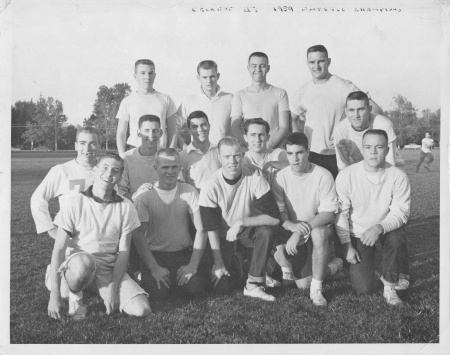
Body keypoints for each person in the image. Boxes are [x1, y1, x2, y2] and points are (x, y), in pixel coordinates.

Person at [46, 153, 151, 320]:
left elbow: (124, 252)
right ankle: (75, 297)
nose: (109, 173)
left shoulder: (126, 206)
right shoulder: (74, 203)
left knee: (142, 309)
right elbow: (59, 249)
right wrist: (54, 295)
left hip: (107, 268)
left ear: (119, 177)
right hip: (77, 263)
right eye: (105, 168)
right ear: (94, 171)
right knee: (82, 265)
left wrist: (112, 287)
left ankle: (92, 287)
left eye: (115, 170)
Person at [199, 137, 281, 301]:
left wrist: (242, 222)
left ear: (243, 155)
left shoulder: (254, 177)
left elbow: (274, 219)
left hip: (243, 231)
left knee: (265, 230)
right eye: (227, 157)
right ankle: (246, 265)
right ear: (219, 158)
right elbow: (211, 229)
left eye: (237, 155)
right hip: (223, 237)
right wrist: (218, 263)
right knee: (222, 287)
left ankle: (253, 283)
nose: (233, 161)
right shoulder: (210, 186)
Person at [335, 129, 411, 306]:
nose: (373, 151)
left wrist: (379, 228)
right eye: (368, 147)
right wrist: (347, 246)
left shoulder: (398, 176)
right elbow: (341, 214)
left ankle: (390, 285)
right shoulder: (347, 175)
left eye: (379, 147)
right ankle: (373, 272)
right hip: (359, 233)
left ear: (387, 149)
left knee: (396, 237)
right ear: (362, 149)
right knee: (364, 288)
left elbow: (401, 212)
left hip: (385, 228)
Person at [271, 132, 342, 306]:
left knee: (318, 233)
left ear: (308, 152)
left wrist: (300, 230)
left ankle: (317, 290)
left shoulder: (323, 175)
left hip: (317, 227)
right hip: (294, 230)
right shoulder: (280, 177)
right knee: (302, 284)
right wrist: (291, 227)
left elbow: (328, 214)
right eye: (290, 154)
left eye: (299, 153)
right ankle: (334, 266)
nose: (294, 159)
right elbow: (281, 213)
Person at [290, 45, 380, 179]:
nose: (316, 66)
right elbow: (292, 118)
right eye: (312, 62)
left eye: (321, 61)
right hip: (312, 154)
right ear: (307, 64)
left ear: (329, 61)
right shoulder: (303, 91)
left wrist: (352, 131)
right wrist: (300, 141)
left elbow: (373, 108)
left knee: (343, 196)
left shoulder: (344, 86)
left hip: (339, 153)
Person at [132, 148, 207, 299]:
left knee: (195, 288)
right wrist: (154, 268)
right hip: (156, 255)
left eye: (174, 167)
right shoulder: (145, 197)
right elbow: (139, 236)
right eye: (165, 167)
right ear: (156, 168)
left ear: (180, 168)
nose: (170, 171)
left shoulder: (189, 191)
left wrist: (192, 265)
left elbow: (201, 229)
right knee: (158, 294)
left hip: (182, 254)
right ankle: (142, 274)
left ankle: (175, 278)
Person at [31, 126, 100, 239]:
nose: (87, 148)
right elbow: (37, 199)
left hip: (102, 240)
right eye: (82, 143)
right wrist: (50, 229)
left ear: (99, 146)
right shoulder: (61, 170)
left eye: (92, 143)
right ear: (76, 146)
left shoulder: (106, 170)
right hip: (73, 241)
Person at [116, 59, 177, 155]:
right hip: (134, 152)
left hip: (160, 152)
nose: (147, 77)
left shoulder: (166, 99)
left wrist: (171, 154)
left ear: (155, 75)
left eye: (150, 73)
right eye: (143, 73)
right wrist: (122, 156)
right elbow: (121, 134)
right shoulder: (127, 102)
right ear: (135, 76)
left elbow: (173, 131)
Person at [231, 52, 290, 149]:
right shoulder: (239, 95)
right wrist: (251, 146)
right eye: (254, 66)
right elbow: (235, 127)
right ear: (248, 68)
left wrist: (269, 146)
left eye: (262, 66)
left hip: (273, 150)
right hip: (249, 151)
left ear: (268, 68)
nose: (258, 69)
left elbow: (284, 127)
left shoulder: (280, 93)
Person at [334, 91, 404, 171]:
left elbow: (390, 164)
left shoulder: (384, 125)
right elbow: (342, 167)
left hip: (393, 169)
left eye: (360, 109)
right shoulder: (340, 130)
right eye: (351, 110)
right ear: (346, 111)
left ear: (369, 109)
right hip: (364, 171)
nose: (356, 115)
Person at [177, 60, 233, 146]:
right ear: (198, 78)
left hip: (224, 154)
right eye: (204, 77)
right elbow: (173, 127)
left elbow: (240, 127)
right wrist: (183, 146)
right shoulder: (189, 101)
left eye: (212, 76)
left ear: (218, 76)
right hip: (199, 156)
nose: (209, 81)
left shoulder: (230, 98)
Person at [118, 114, 162, 201]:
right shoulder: (126, 159)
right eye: (146, 130)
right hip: (134, 209)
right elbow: (119, 193)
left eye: (155, 131)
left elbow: (178, 185)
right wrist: (137, 195)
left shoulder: (168, 157)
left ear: (160, 133)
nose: (151, 134)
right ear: (138, 133)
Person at [179, 110, 221, 191]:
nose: (200, 129)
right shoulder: (182, 156)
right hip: (196, 202)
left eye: (203, 125)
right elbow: (181, 186)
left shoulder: (219, 150)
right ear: (189, 131)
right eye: (195, 127)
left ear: (209, 126)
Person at [242, 118, 288, 184]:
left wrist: (271, 164)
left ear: (268, 137)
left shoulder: (275, 153)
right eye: (253, 135)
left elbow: (295, 162)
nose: (257, 139)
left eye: (261, 135)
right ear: (245, 137)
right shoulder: (243, 158)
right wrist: (252, 167)